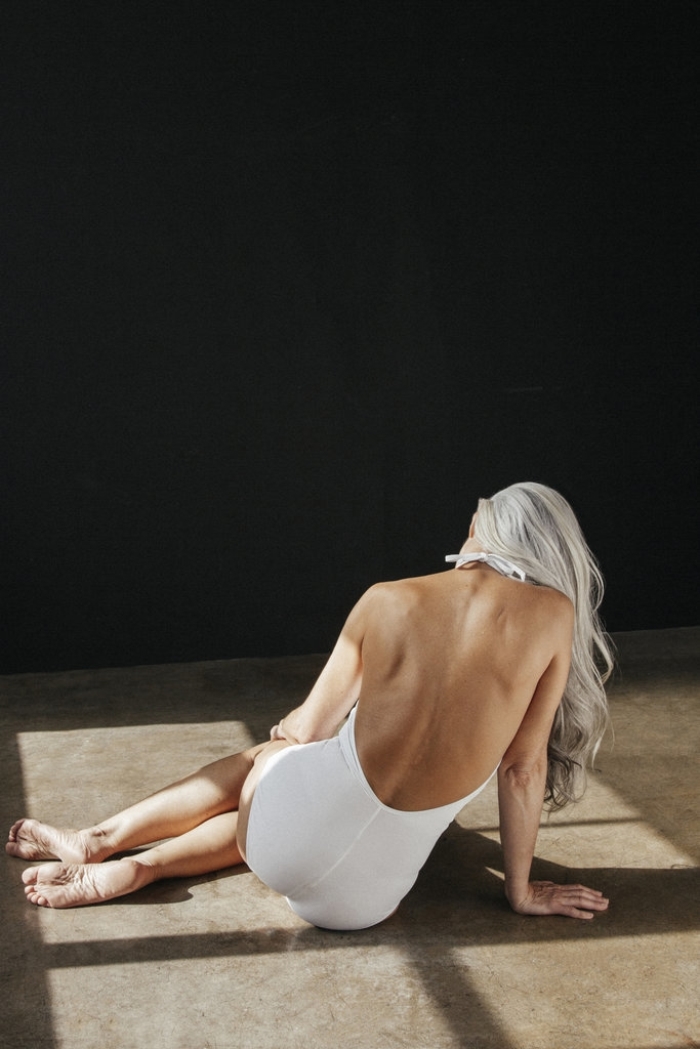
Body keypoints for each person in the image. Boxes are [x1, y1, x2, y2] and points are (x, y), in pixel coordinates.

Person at [7, 482, 613, 928]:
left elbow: (307, 729)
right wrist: (520, 892)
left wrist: (290, 736)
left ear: (482, 530)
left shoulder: (387, 598)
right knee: (336, 803)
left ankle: (105, 841)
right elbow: (521, 768)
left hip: (270, 842)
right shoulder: (553, 617)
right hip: (362, 907)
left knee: (272, 759)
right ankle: (143, 867)